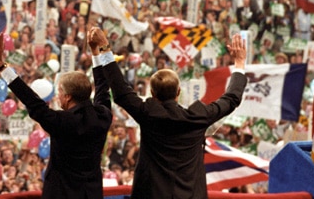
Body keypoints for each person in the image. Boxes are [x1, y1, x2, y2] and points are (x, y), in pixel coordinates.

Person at [88, 29, 247, 199]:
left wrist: (104, 48)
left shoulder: (147, 114)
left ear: (152, 94)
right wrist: (239, 63)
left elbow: (120, 90)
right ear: (178, 92)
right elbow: (232, 98)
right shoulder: (199, 117)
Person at [0, 29, 112, 199]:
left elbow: (31, 100)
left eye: (60, 92)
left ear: (68, 96)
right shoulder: (103, 116)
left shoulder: (62, 121)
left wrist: (1, 65)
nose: (58, 96)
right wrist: (96, 53)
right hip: (91, 194)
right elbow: (103, 88)